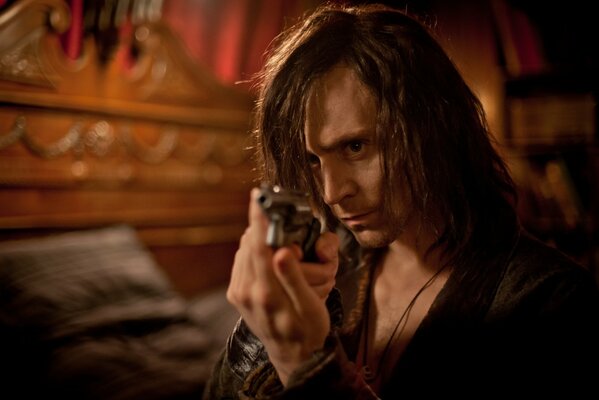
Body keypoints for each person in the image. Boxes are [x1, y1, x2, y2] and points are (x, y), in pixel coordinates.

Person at [203, 3, 599, 398]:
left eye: (355, 147)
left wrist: (304, 363)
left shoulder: (553, 303)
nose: (332, 192)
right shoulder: (328, 271)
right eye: (313, 160)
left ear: (434, 130)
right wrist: (258, 334)